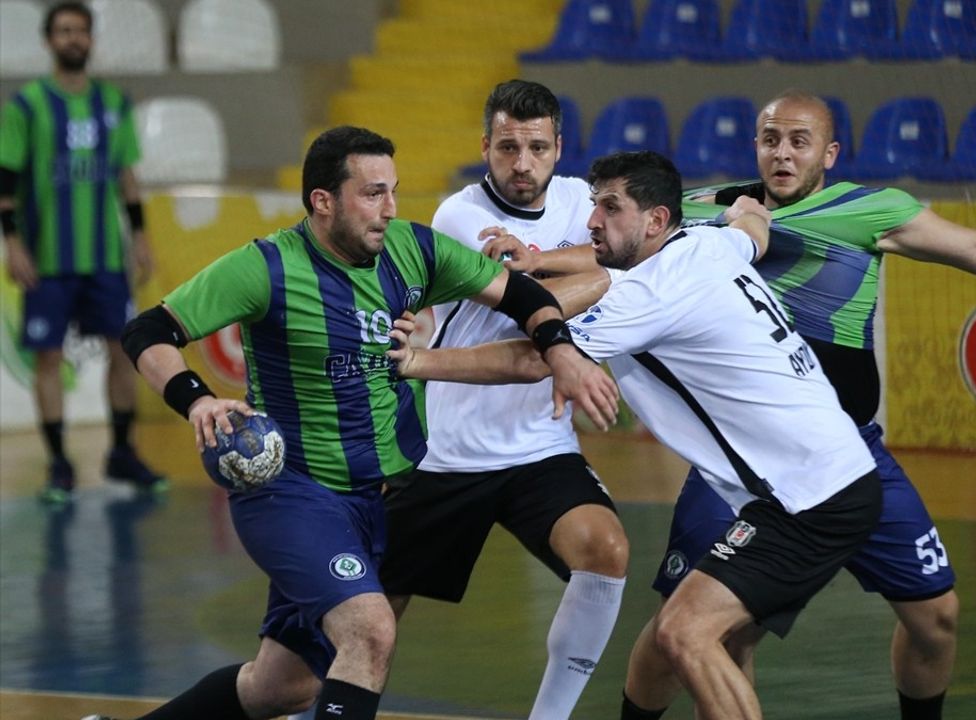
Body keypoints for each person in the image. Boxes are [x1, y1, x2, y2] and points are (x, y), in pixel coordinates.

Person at [495, 90, 976, 719]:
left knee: (937, 617)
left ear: (829, 153)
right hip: (742, 468)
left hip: (848, 457)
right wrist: (537, 262)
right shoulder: (717, 208)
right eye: (771, 139)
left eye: (799, 142)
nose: (782, 154)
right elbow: (615, 250)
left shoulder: (868, 211)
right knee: (695, 633)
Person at [88, 125, 618, 720]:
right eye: (372, 194)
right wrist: (198, 400)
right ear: (323, 201)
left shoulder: (413, 250)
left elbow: (518, 294)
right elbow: (148, 331)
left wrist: (559, 349)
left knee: (281, 687)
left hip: (372, 499)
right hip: (291, 494)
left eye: (392, 192)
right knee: (370, 632)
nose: (389, 210)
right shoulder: (266, 268)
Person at [390, 149, 887, 719]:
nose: (592, 221)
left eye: (610, 208)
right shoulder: (706, 244)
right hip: (812, 483)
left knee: (685, 633)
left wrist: (416, 364)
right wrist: (748, 211)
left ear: (654, 221)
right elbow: (754, 231)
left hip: (810, 498)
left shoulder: (653, 290)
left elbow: (535, 360)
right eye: (594, 205)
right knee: (657, 652)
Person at [377, 80, 627, 720]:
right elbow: (524, 313)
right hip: (449, 453)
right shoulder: (461, 216)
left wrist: (540, 258)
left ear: (558, 147)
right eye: (508, 147)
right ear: (485, 146)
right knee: (373, 613)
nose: (522, 164)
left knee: (605, 549)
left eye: (538, 147)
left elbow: (615, 256)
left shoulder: (579, 201)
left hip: (540, 448)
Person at [0, 1, 163, 505]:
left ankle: (121, 452)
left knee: (124, 351)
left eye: (81, 31)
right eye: (64, 30)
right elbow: (6, 182)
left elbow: (127, 178)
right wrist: (12, 242)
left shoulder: (113, 104)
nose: (73, 38)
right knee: (47, 359)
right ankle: (59, 461)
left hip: (105, 261)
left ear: (91, 40)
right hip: (48, 261)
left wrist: (139, 237)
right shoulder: (25, 107)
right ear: (49, 41)